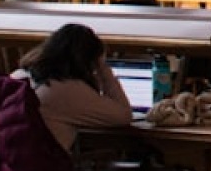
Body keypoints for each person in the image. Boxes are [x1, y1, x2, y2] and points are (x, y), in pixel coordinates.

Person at [11, 23, 135, 153]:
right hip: (40, 168)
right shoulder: (66, 89)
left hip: (4, 165)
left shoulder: (17, 76)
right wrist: (104, 70)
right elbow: (123, 116)